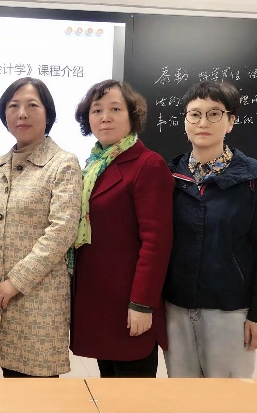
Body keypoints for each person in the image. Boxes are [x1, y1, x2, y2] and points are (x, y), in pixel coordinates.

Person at [164, 80, 257, 378]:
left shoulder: (254, 180)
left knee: (229, 397)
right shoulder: (170, 177)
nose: (203, 122)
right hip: (176, 308)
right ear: (185, 122)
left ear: (230, 122)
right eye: (195, 114)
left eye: (214, 113)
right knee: (182, 394)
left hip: (230, 311)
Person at [0, 77, 82, 378]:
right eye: (13, 106)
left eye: (32, 105)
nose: (22, 113)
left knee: (38, 391)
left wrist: (16, 281)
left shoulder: (63, 164)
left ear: (48, 114)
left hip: (37, 302)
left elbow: (62, 231)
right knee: (9, 388)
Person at [69, 80, 174, 378]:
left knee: (133, 392)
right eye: (97, 110)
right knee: (108, 385)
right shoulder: (93, 166)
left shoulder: (147, 164)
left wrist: (142, 303)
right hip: (97, 300)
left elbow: (156, 242)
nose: (105, 117)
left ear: (132, 115)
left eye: (115, 109)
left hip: (128, 303)